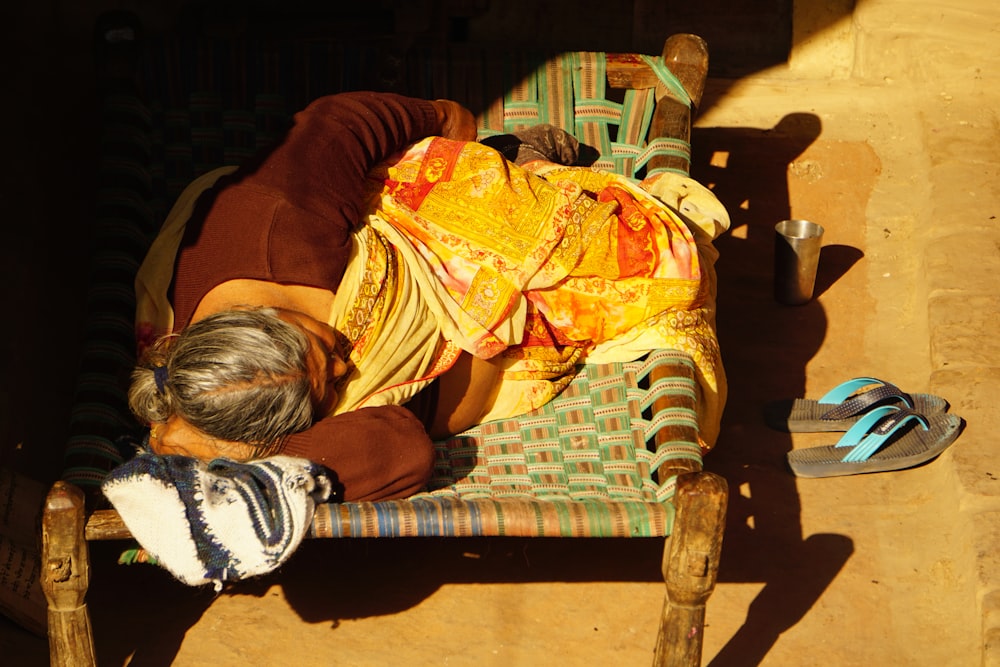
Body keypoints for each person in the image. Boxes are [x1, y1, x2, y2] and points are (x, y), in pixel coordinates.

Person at [127, 91, 729, 503]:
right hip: (487, 354)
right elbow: (401, 452)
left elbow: (335, 122)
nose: (347, 362)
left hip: (422, 234)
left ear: (264, 315)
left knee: (632, 253)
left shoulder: (275, 225)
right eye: (328, 388)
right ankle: (529, 157)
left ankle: (516, 158)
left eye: (320, 347)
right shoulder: (229, 410)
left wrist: (449, 125)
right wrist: (213, 446)